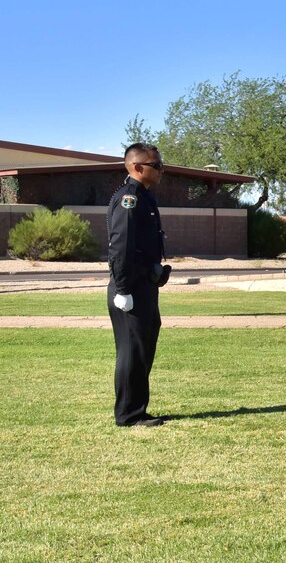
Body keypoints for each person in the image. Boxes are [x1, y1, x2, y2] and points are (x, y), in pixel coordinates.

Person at [107, 143, 169, 427]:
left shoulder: (145, 198)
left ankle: (138, 410)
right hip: (130, 289)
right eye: (156, 165)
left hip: (143, 286)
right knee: (132, 351)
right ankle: (129, 415)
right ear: (137, 167)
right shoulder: (129, 199)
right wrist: (122, 290)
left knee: (142, 348)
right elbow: (121, 248)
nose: (161, 170)